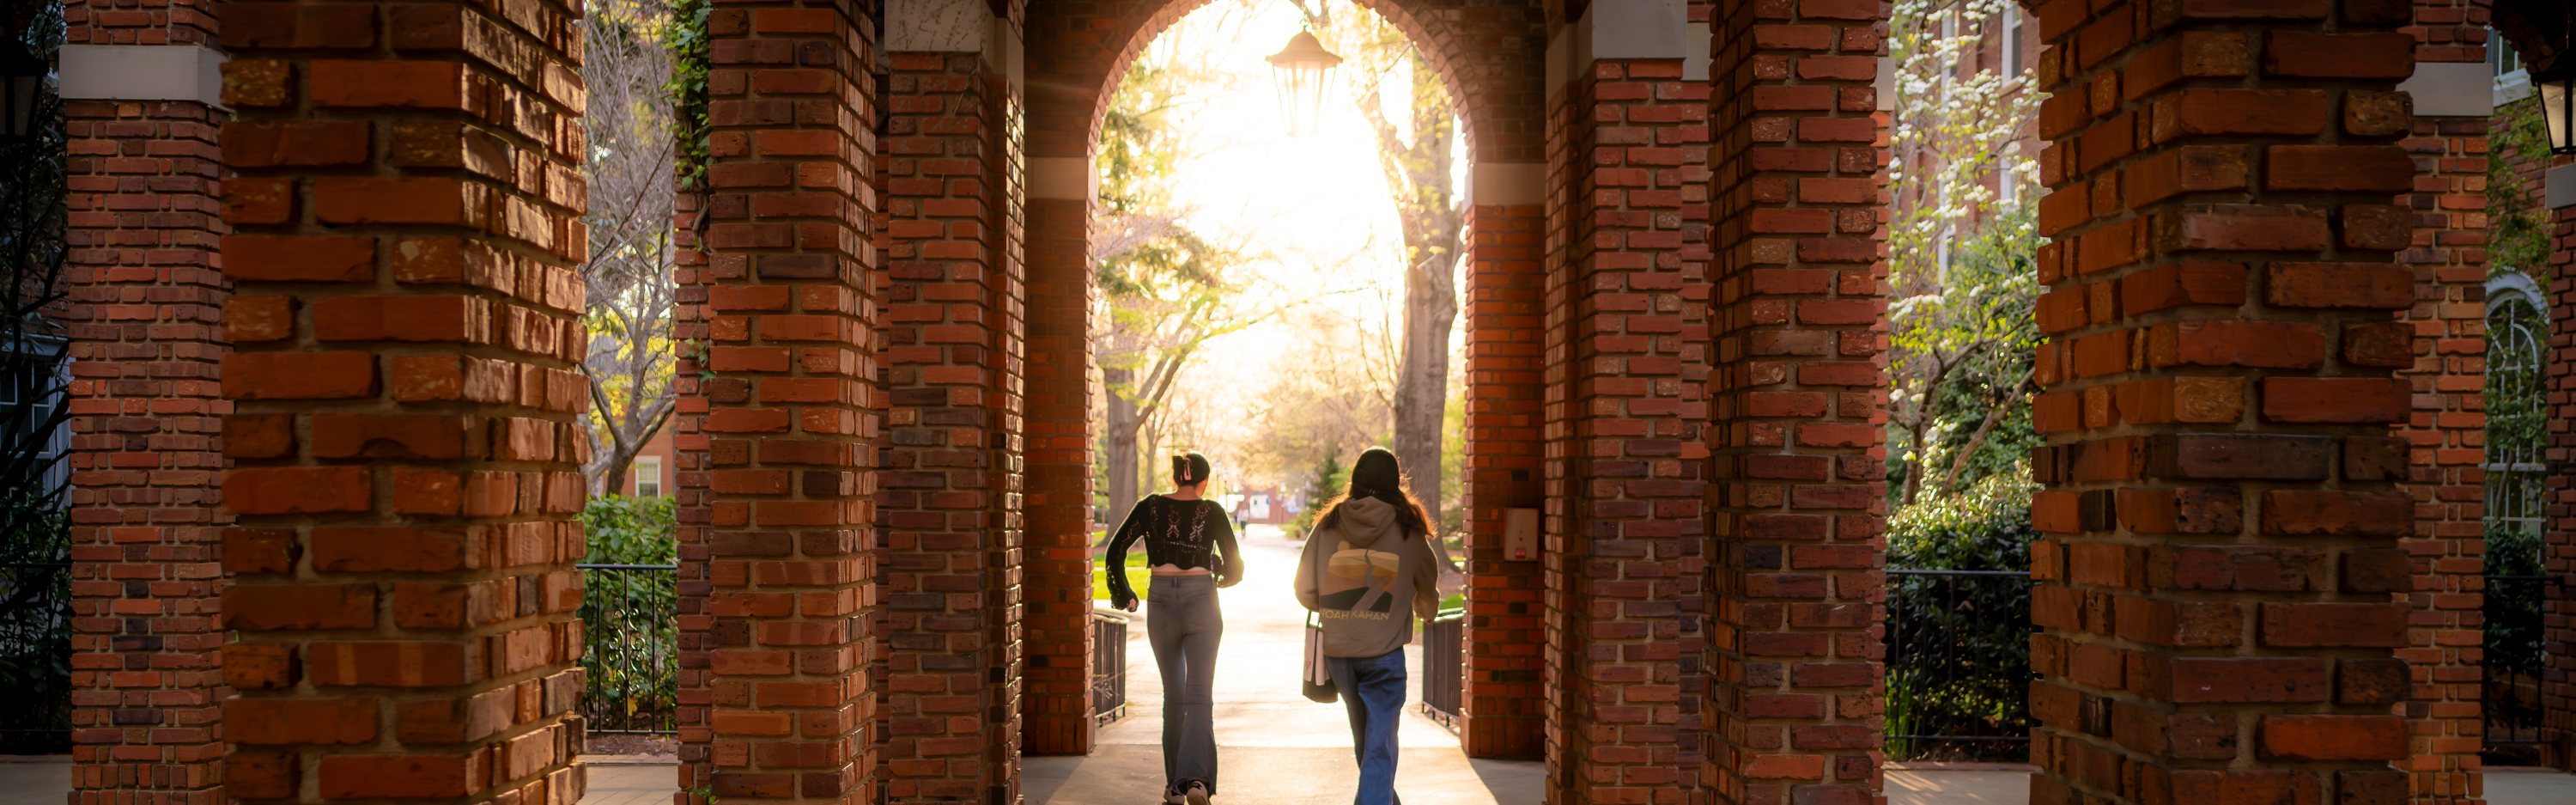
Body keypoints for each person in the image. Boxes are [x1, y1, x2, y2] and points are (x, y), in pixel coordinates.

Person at [1293, 448, 1442, 805]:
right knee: (1378, 747)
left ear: (1356, 480)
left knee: (1369, 744)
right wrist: (1425, 611)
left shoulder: (1327, 524)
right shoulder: (1408, 529)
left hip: (1340, 654)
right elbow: (1427, 593)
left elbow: (1304, 590)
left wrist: (1333, 609)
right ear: (1394, 483)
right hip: (1385, 655)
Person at [1103, 452, 1242, 805]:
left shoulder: (1150, 506)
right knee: (1198, 697)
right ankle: (1196, 781)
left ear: (1174, 476)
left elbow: (1115, 550)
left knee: (1174, 698)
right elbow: (1236, 567)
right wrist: (1218, 571)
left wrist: (1124, 592)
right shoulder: (1212, 511)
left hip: (1161, 600)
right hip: (1201, 601)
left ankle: (1173, 788)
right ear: (1204, 481)